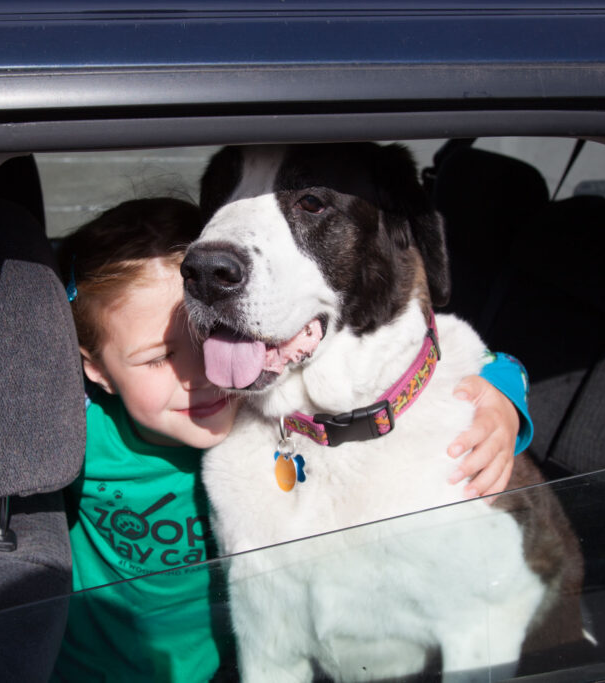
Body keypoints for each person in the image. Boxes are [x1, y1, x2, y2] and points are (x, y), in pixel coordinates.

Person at [50, 197, 533, 682]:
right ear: (97, 370)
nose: (202, 377)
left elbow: (432, 351)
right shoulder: (74, 438)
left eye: (215, 339)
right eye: (158, 359)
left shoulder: (260, 399)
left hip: (225, 665)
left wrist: (504, 392)